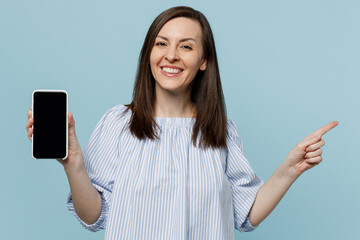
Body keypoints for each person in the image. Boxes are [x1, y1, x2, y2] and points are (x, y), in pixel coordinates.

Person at [25, 6, 338, 240]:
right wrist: (73, 164)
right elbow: (94, 216)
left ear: (204, 61)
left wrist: (289, 170)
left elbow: (245, 213)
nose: (171, 55)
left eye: (186, 46)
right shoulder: (118, 124)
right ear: (149, 53)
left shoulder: (221, 131)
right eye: (161, 44)